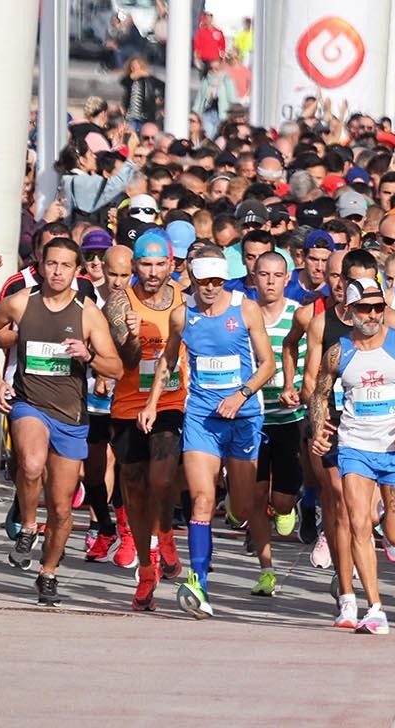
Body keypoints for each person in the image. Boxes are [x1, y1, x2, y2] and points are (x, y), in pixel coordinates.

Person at [0, 236, 122, 605]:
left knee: (61, 507)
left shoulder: (87, 312)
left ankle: (49, 572)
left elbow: (117, 367)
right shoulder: (21, 302)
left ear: (77, 272)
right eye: (51, 264)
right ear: (41, 266)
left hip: (71, 415)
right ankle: (28, 524)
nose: (57, 272)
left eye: (65, 266)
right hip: (30, 404)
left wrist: (88, 356)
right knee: (30, 464)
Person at [310, 277, 395, 634]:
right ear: (350, 310)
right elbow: (320, 394)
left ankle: (385, 511)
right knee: (356, 523)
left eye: (378, 308)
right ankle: (374, 607)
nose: (372, 315)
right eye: (365, 308)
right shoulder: (338, 352)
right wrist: (321, 431)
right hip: (355, 447)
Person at [146, 252, 276, 618]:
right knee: (202, 498)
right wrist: (153, 402)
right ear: (192, 278)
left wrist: (240, 395)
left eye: (217, 282)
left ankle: (246, 529)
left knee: (241, 507)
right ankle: (198, 583)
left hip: (243, 416)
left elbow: (269, 364)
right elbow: (169, 360)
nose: (210, 289)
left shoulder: (245, 310)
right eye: (204, 282)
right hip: (202, 416)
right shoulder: (182, 315)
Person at [104, 228, 189, 611]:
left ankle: (167, 533)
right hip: (127, 405)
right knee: (135, 492)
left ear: (172, 265)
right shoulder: (120, 302)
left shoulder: (184, 304)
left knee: (163, 477)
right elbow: (126, 362)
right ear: (135, 265)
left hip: (171, 401)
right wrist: (133, 339)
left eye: (160, 265)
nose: (152, 273)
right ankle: (145, 569)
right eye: (145, 265)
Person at [249, 250, 303, 597]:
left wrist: (297, 390)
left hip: (289, 419)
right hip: (252, 419)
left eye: (276, 275)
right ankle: (266, 570)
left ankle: (287, 504)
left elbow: (309, 362)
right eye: (263, 275)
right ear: (253, 278)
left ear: (287, 279)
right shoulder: (242, 314)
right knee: (251, 501)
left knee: (281, 501)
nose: (270, 282)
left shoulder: (298, 316)